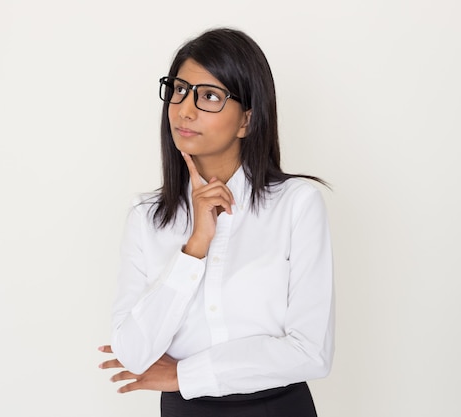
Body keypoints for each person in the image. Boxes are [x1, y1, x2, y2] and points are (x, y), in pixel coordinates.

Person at [98, 27, 335, 417]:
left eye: (209, 96)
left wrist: (184, 375)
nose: (185, 109)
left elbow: (311, 351)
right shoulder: (146, 217)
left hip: (277, 409)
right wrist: (195, 248)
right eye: (178, 90)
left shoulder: (296, 205)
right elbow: (134, 352)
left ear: (246, 120)